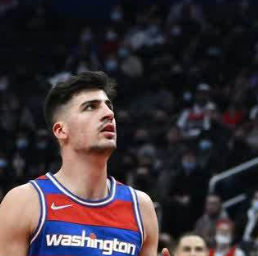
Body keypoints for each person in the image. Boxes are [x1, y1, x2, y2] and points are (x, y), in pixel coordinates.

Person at [0, 71, 170, 256]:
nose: (109, 114)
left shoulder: (141, 207)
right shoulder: (25, 201)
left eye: (109, 106)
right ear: (61, 131)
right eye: (90, 107)